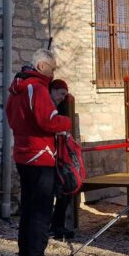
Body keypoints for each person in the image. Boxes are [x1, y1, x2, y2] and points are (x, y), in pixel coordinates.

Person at [5, 49, 71, 256]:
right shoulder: (37, 88)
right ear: (42, 66)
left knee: (29, 214)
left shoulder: (16, 88)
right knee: (40, 216)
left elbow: (11, 118)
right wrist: (66, 121)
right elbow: (48, 121)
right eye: (52, 68)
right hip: (40, 157)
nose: (54, 74)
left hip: (24, 156)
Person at [48, 79, 76, 240]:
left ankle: (57, 225)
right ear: (53, 90)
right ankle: (53, 226)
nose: (62, 97)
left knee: (66, 189)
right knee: (54, 191)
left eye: (64, 95)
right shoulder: (47, 105)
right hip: (50, 155)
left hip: (60, 154)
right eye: (61, 94)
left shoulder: (60, 105)